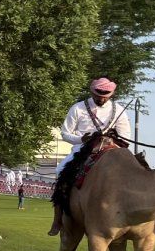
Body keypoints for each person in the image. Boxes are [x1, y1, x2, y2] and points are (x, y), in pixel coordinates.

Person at [49, 77, 132, 235]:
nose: (101, 98)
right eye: (98, 94)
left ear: (111, 94)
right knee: (60, 171)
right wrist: (82, 139)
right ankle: (58, 218)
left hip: (110, 149)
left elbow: (126, 136)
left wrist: (113, 137)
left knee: (136, 170)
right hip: (83, 149)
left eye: (105, 95)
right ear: (92, 92)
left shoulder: (119, 110)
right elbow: (65, 133)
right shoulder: (78, 108)